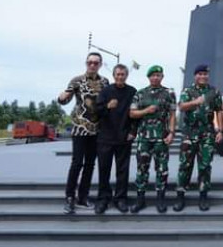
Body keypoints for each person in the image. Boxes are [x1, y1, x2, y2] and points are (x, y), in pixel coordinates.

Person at [57, 52, 109, 214]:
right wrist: (61, 97)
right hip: (80, 127)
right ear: (86, 63)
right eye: (90, 62)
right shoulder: (77, 80)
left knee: (90, 164)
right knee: (77, 163)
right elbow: (65, 99)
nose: (92, 65)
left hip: (97, 129)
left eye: (95, 63)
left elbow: (107, 104)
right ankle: (69, 197)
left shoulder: (105, 82)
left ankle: (83, 197)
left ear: (100, 64)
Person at [173, 64, 223, 212]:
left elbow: (219, 111)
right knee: (185, 166)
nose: (202, 76)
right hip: (189, 133)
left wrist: (220, 130)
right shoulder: (188, 90)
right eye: (199, 74)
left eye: (205, 74)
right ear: (195, 76)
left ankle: (203, 196)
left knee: (205, 166)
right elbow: (182, 107)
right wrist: (196, 102)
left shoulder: (213, 91)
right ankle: (180, 196)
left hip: (207, 134)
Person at [129, 65, 177, 214]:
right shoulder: (140, 93)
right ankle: (140, 199)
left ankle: (160, 199)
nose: (155, 77)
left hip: (161, 138)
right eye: (153, 75)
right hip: (144, 138)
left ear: (162, 77)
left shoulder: (169, 93)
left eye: (158, 75)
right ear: (148, 77)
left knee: (162, 169)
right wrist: (146, 111)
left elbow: (172, 115)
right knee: (142, 169)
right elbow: (132, 113)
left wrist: (171, 133)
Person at [93, 63, 137, 214]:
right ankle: (103, 198)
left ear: (126, 76)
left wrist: (133, 131)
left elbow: (136, 115)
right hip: (105, 137)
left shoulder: (132, 92)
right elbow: (96, 112)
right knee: (104, 169)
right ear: (114, 76)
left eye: (122, 74)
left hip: (124, 136)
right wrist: (107, 107)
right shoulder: (105, 91)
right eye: (117, 74)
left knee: (122, 170)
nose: (120, 77)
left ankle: (120, 198)